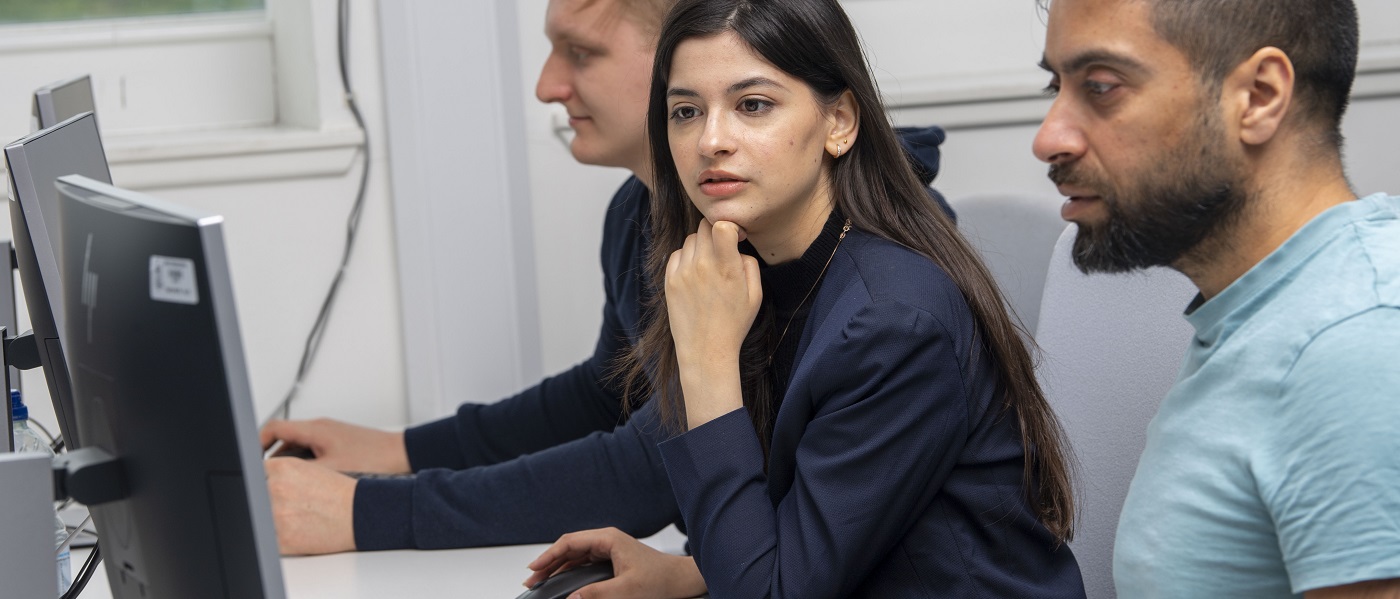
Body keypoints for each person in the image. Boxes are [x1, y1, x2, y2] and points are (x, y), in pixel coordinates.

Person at [259, 0, 952, 555]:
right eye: (691, 109)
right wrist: (398, 450)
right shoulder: (647, 215)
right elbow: (608, 391)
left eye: (583, 53)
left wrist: (370, 508)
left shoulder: (857, 286)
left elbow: (651, 465)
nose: (546, 86)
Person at [524, 0, 1085, 596]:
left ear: (839, 122)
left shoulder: (891, 323)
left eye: (752, 105)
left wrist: (707, 364)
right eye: (685, 111)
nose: (711, 139)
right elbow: (822, 537)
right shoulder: (747, 275)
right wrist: (686, 574)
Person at [1034, 0, 1400, 596]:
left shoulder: (1354, 342)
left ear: (1258, 97)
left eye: (1101, 87)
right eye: (1058, 85)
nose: (1049, 137)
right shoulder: (1268, 309)